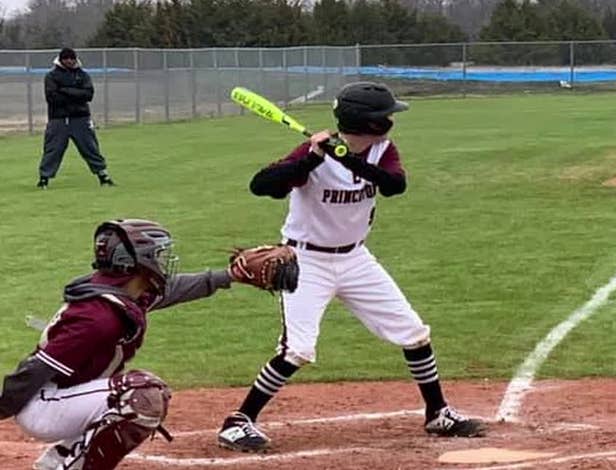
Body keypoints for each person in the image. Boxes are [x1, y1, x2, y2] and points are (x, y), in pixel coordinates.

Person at [217, 81, 486, 453]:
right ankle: (238, 422)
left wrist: (346, 158)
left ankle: (437, 412)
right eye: (386, 116)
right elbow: (262, 186)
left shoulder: (382, 151)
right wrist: (312, 158)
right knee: (298, 349)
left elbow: (395, 186)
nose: (391, 121)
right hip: (307, 260)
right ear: (369, 122)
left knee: (413, 332)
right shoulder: (313, 154)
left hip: (356, 259)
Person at [0, 219, 255, 469]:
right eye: (157, 255)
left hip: (65, 395)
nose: (162, 262)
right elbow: (36, 369)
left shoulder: (121, 293)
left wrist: (228, 276)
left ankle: (59, 459)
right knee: (141, 395)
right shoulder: (97, 318)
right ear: (134, 260)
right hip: (44, 406)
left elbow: (172, 290)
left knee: (146, 394)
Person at [38, 47, 115, 189]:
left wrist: (65, 90)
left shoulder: (83, 75)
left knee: (90, 147)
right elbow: (52, 97)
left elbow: (88, 94)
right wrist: (76, 94)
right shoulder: (52, 76)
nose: (69, 61)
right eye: (66, 59)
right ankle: (44, 178)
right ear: (60, 60)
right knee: (53, 149)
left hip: (81, 118)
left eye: (71, 58)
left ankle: (103, 175)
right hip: (58, 119)